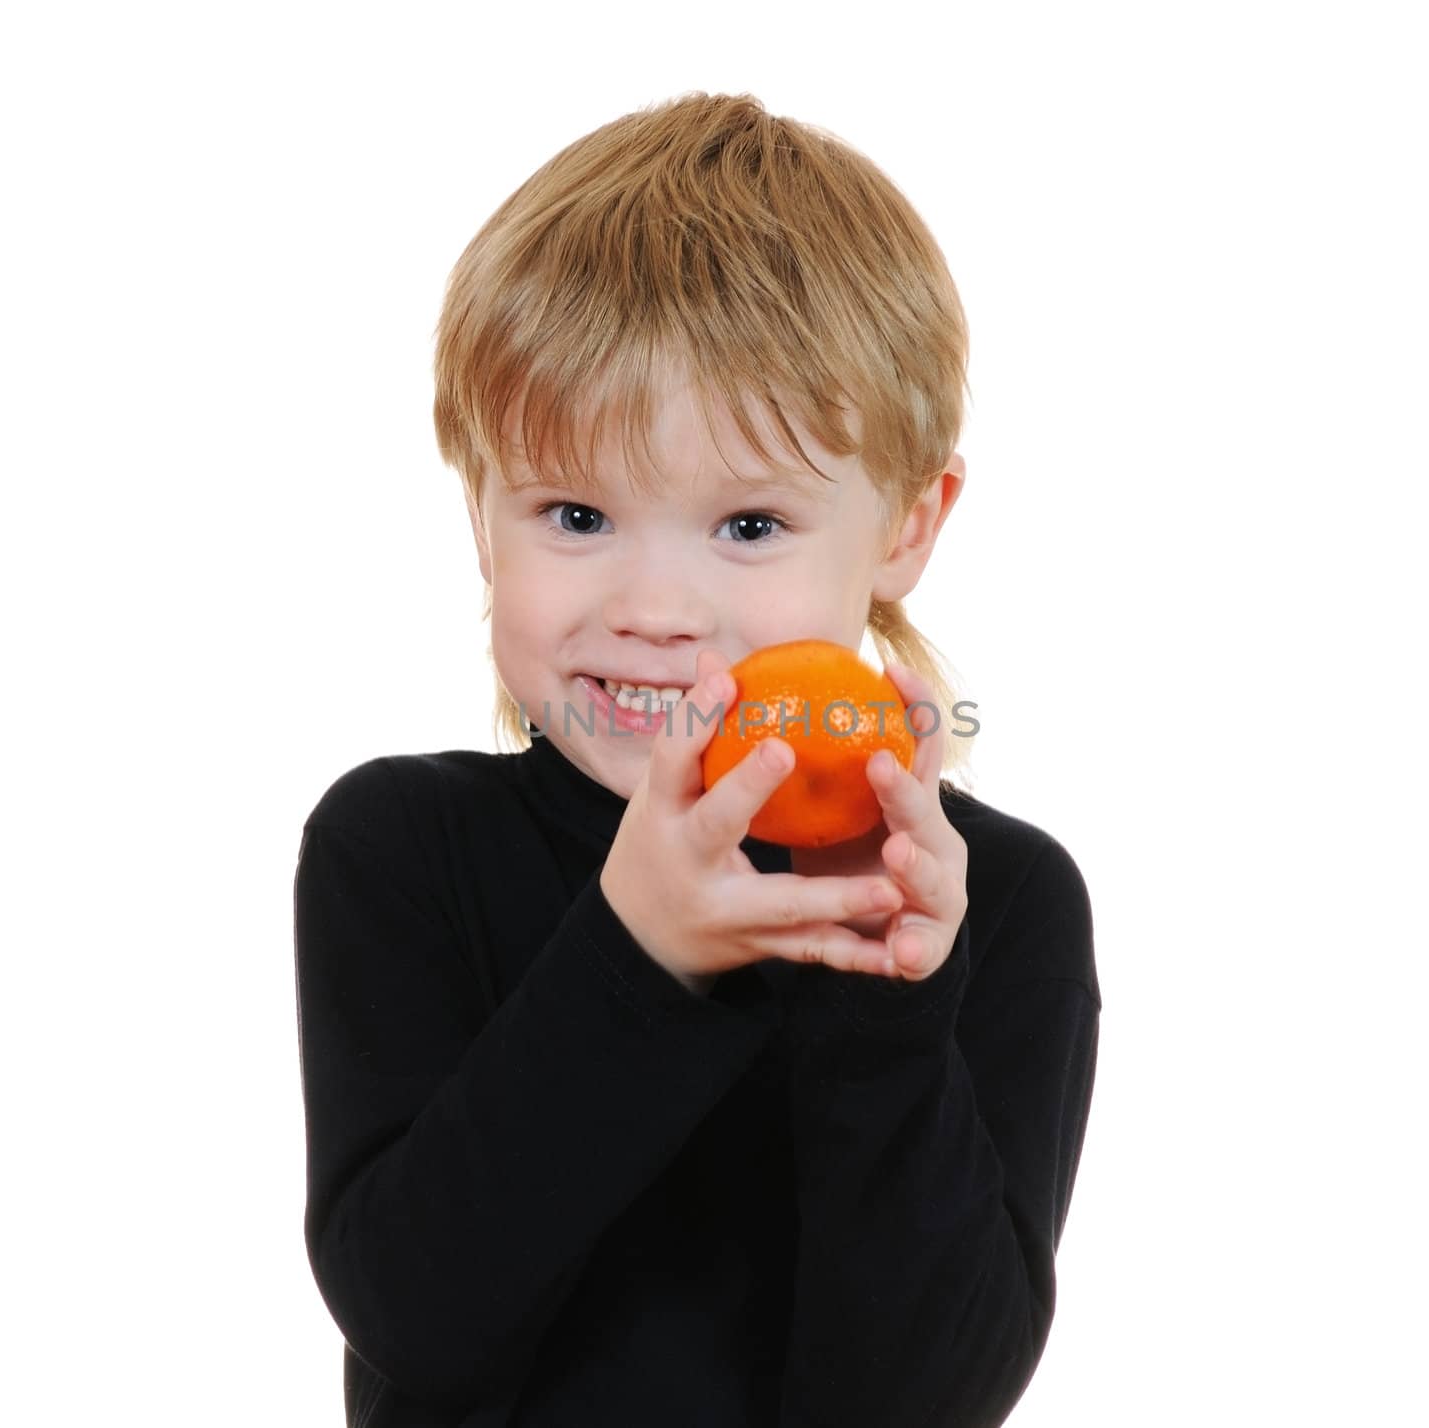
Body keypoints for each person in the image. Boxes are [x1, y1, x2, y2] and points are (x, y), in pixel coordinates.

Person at [292, 90, 1101, 1428]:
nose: (654, 608)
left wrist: (888, 1012)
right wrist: (637, 950)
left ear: (907, 524)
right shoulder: (400, 848)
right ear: (481, 520)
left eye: (746, 525)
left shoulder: (989, 906)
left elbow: (925, 1400)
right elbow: (418, 1317)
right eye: (575, 512)